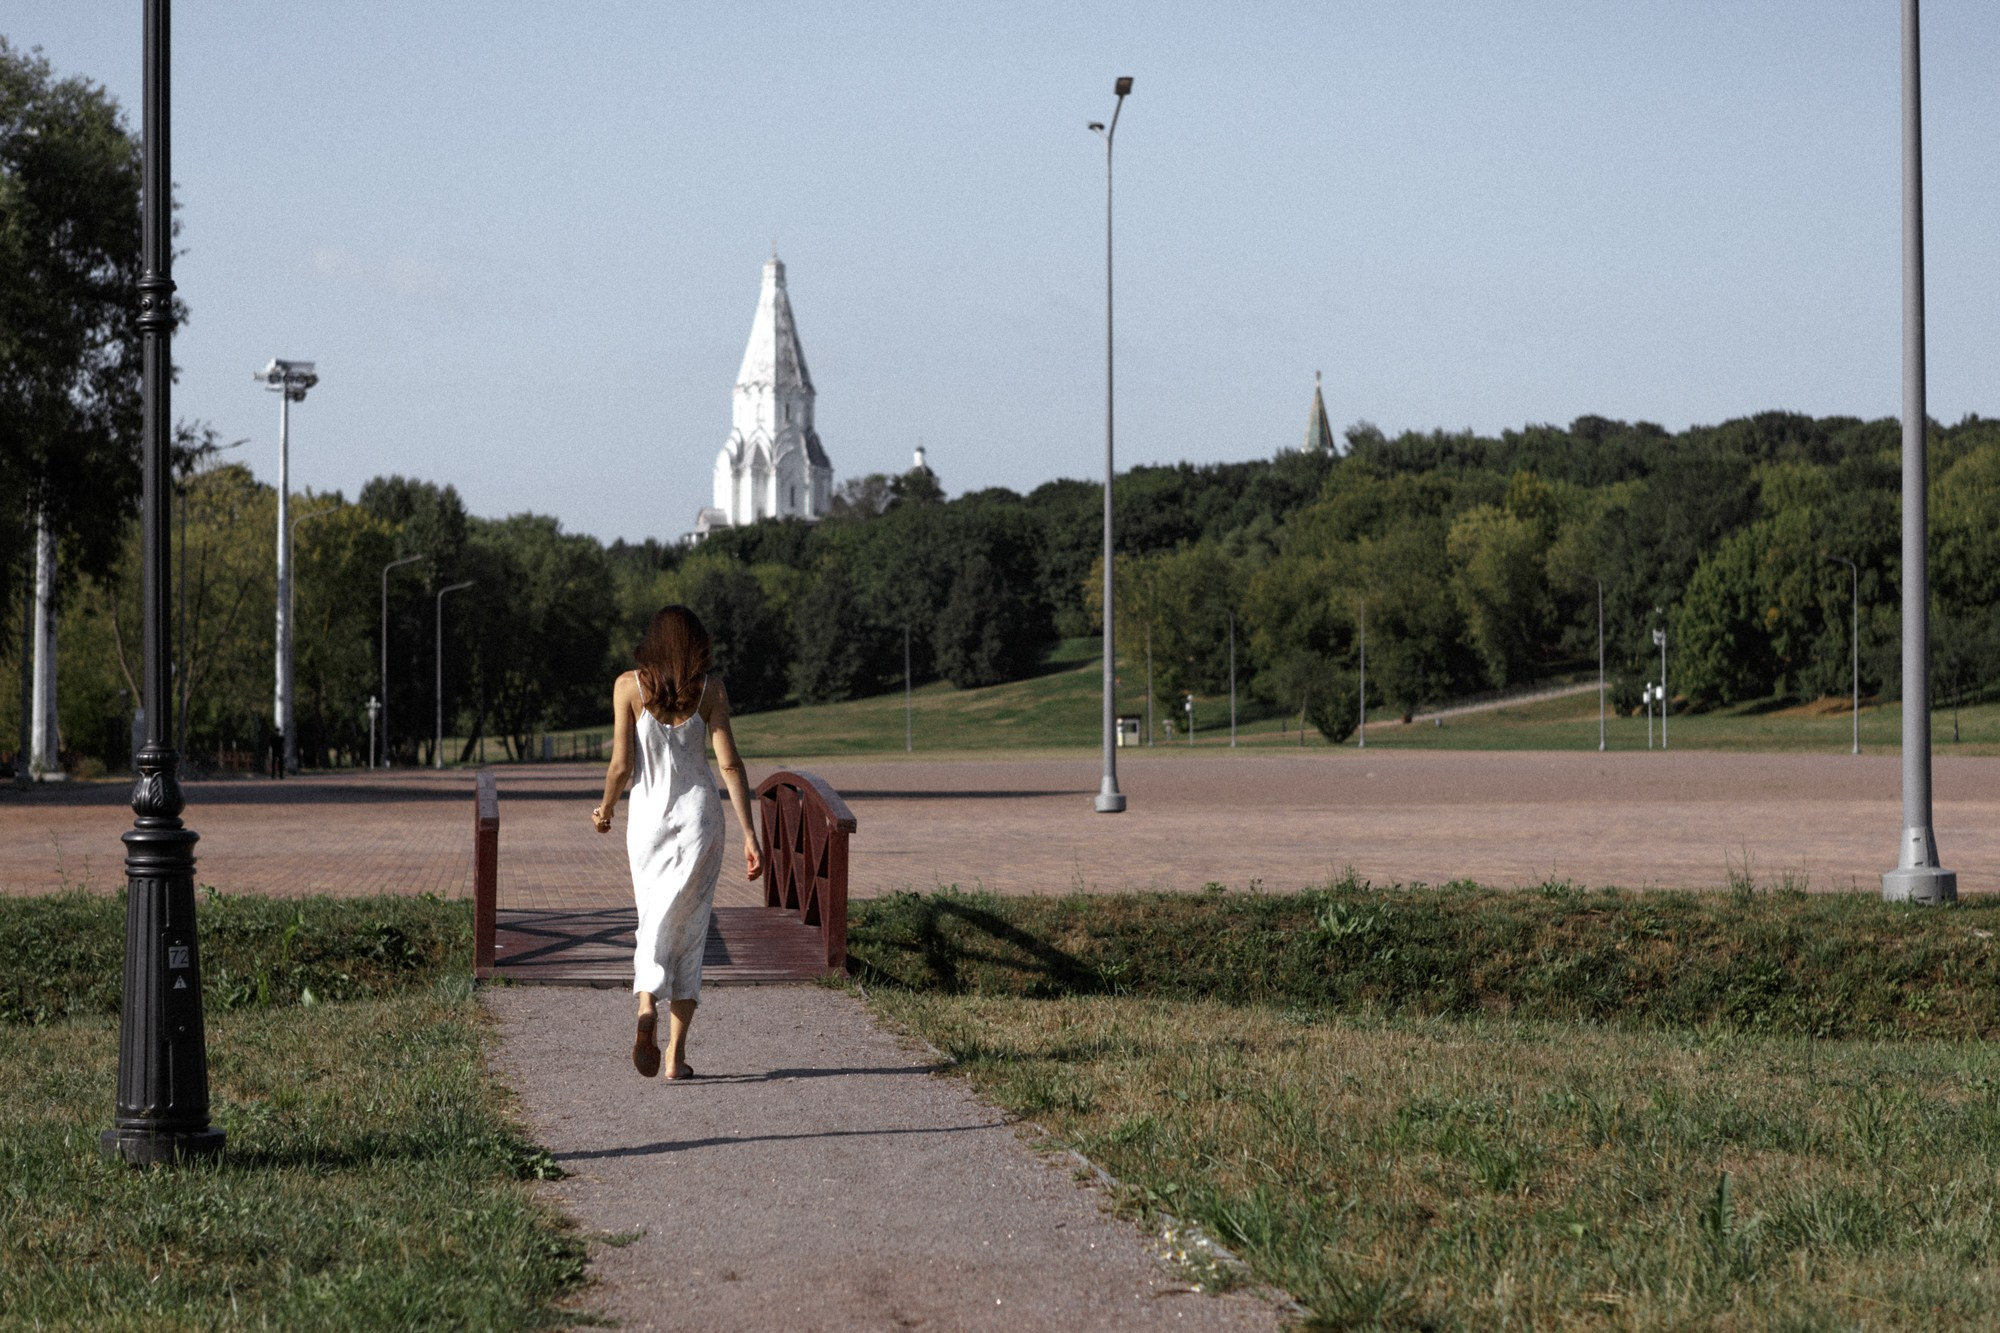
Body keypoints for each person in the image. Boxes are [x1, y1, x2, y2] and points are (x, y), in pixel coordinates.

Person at [592, 606, 760, 1080]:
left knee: (652, 917)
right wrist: (750, 832)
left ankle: (646, 1002)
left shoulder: (629, 686)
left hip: (647, 821)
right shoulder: (711, 690)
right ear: (696, 644)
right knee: (692, 932)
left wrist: (605, 810)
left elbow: (621, 766)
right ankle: (675, 1057)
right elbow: (730, 766)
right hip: (701, 822)